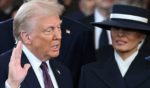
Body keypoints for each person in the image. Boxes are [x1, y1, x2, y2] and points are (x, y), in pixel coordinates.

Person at [0, 0, 73, 88]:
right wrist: (12, 85)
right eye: (49, 30)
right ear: (26, 37)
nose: (58, 36)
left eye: (58, 28)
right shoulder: (3, 67)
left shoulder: (64, 72)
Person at [79, 4, 150, 88]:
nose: (120, 34)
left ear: (142, 36)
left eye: (128, 29)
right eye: (116, 28)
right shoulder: (89, 71)